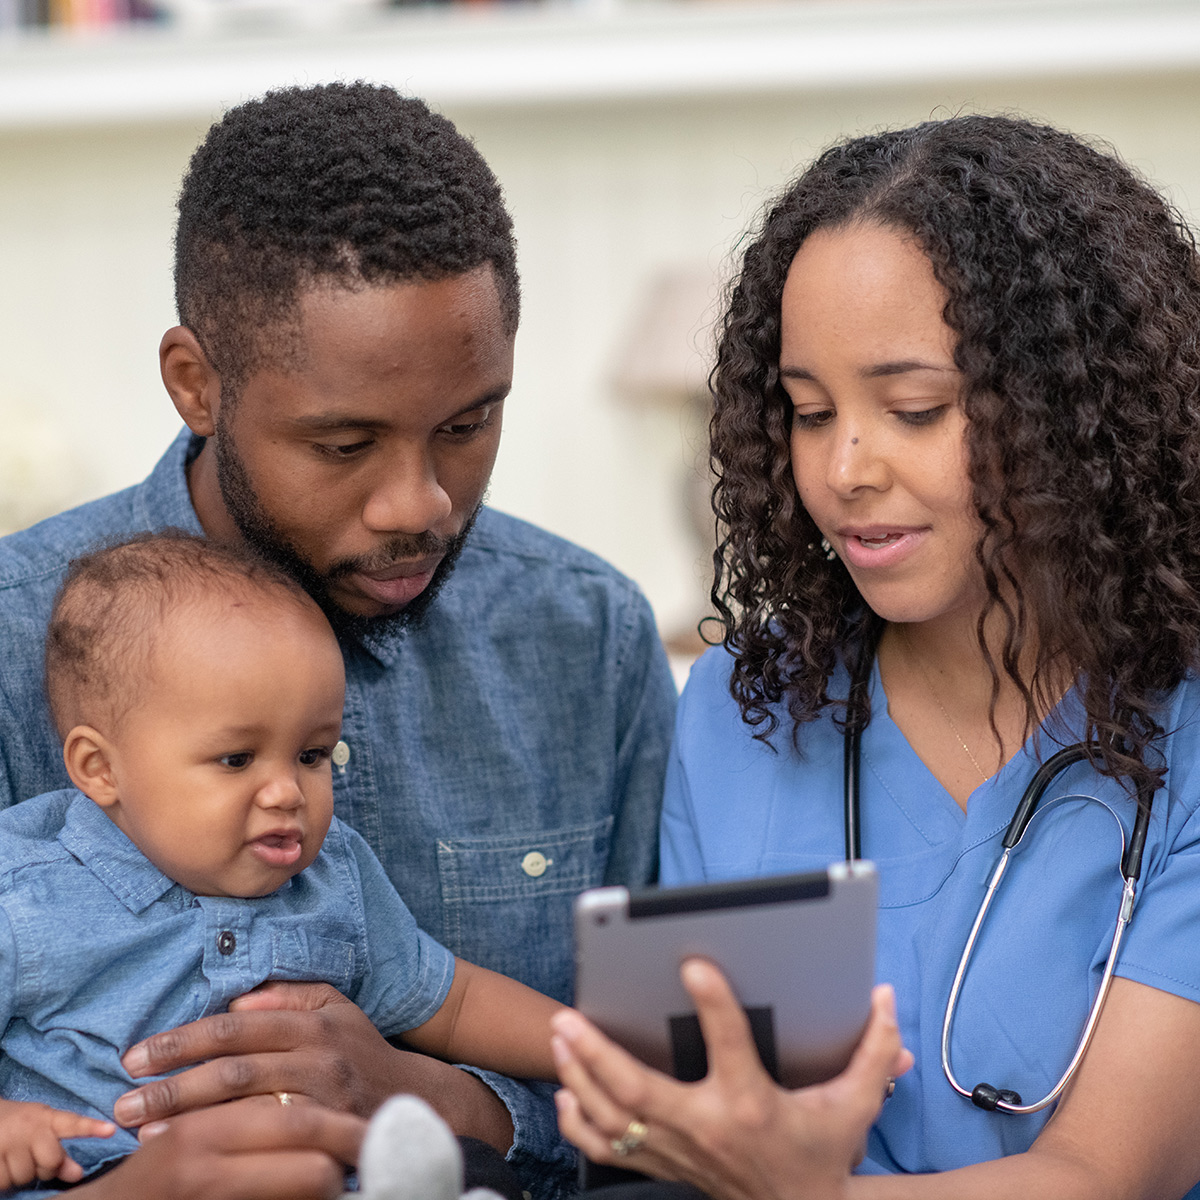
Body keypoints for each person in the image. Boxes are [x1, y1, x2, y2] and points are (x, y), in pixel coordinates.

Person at [0, 82, 676, 1198]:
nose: (418, 504)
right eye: (345, 442)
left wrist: (446, 1107)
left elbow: (662, 1102)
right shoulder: (18, 635)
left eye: (467, 425)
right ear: (196, 384)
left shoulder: (586, 635)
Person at [551, 114, 1200, 1199]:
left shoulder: (1182, 727)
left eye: (914, 408)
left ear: (1077, 410)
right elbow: (678, 1123)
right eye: (808, 413)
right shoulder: (740, 711)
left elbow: (1103, 1173)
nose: (845, 467)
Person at [0, 532, 567, 1199]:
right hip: (114, 1172)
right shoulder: (26, 893)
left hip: (320, 1171)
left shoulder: (334, 873)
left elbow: (456, 1000)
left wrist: (590, 1046)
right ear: (101, 769)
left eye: (312, 755)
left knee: (472, 1166)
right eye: (237, 760)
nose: (287, 793)